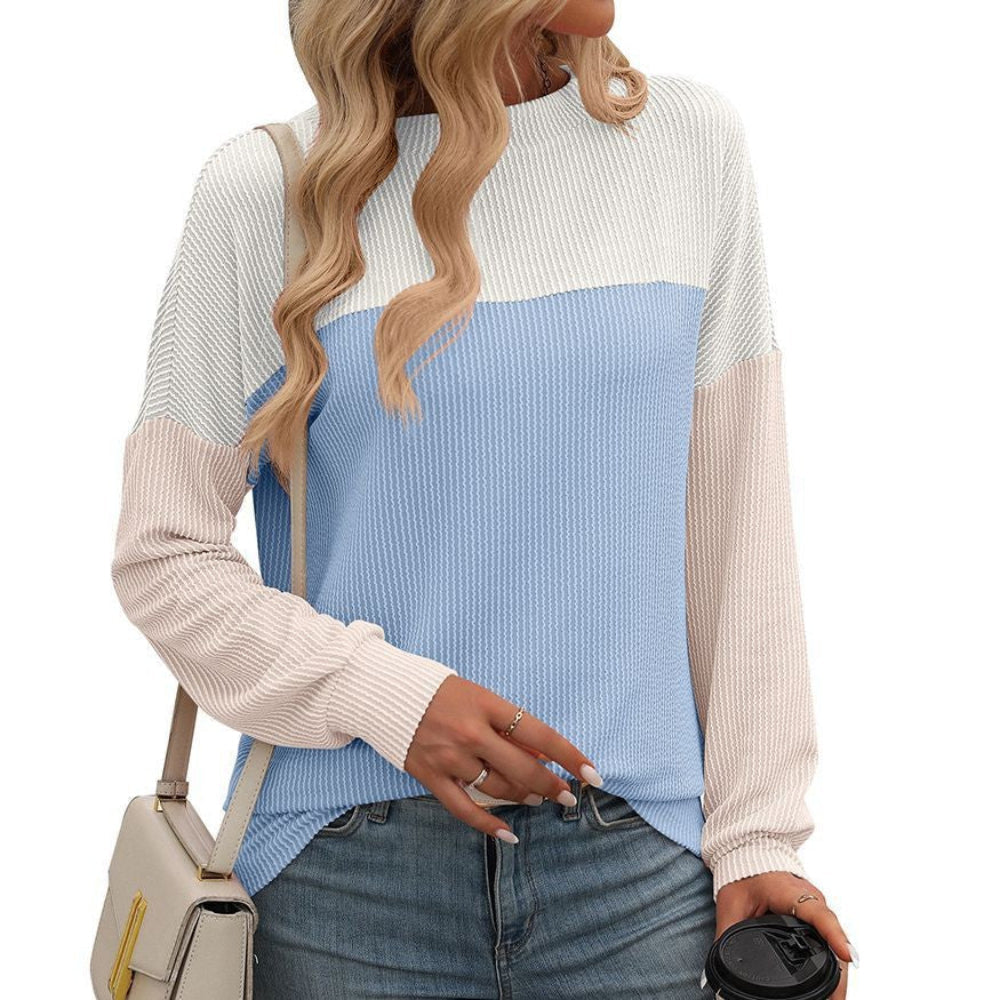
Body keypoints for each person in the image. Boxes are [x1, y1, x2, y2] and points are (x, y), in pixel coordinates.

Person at [109, 1, 857, 996]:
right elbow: (163, 553)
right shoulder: (267, 191)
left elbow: (739, 528)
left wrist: (759, 833)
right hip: (346, 880)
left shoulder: (687, 146)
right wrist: (388, 697)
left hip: (640, 878)